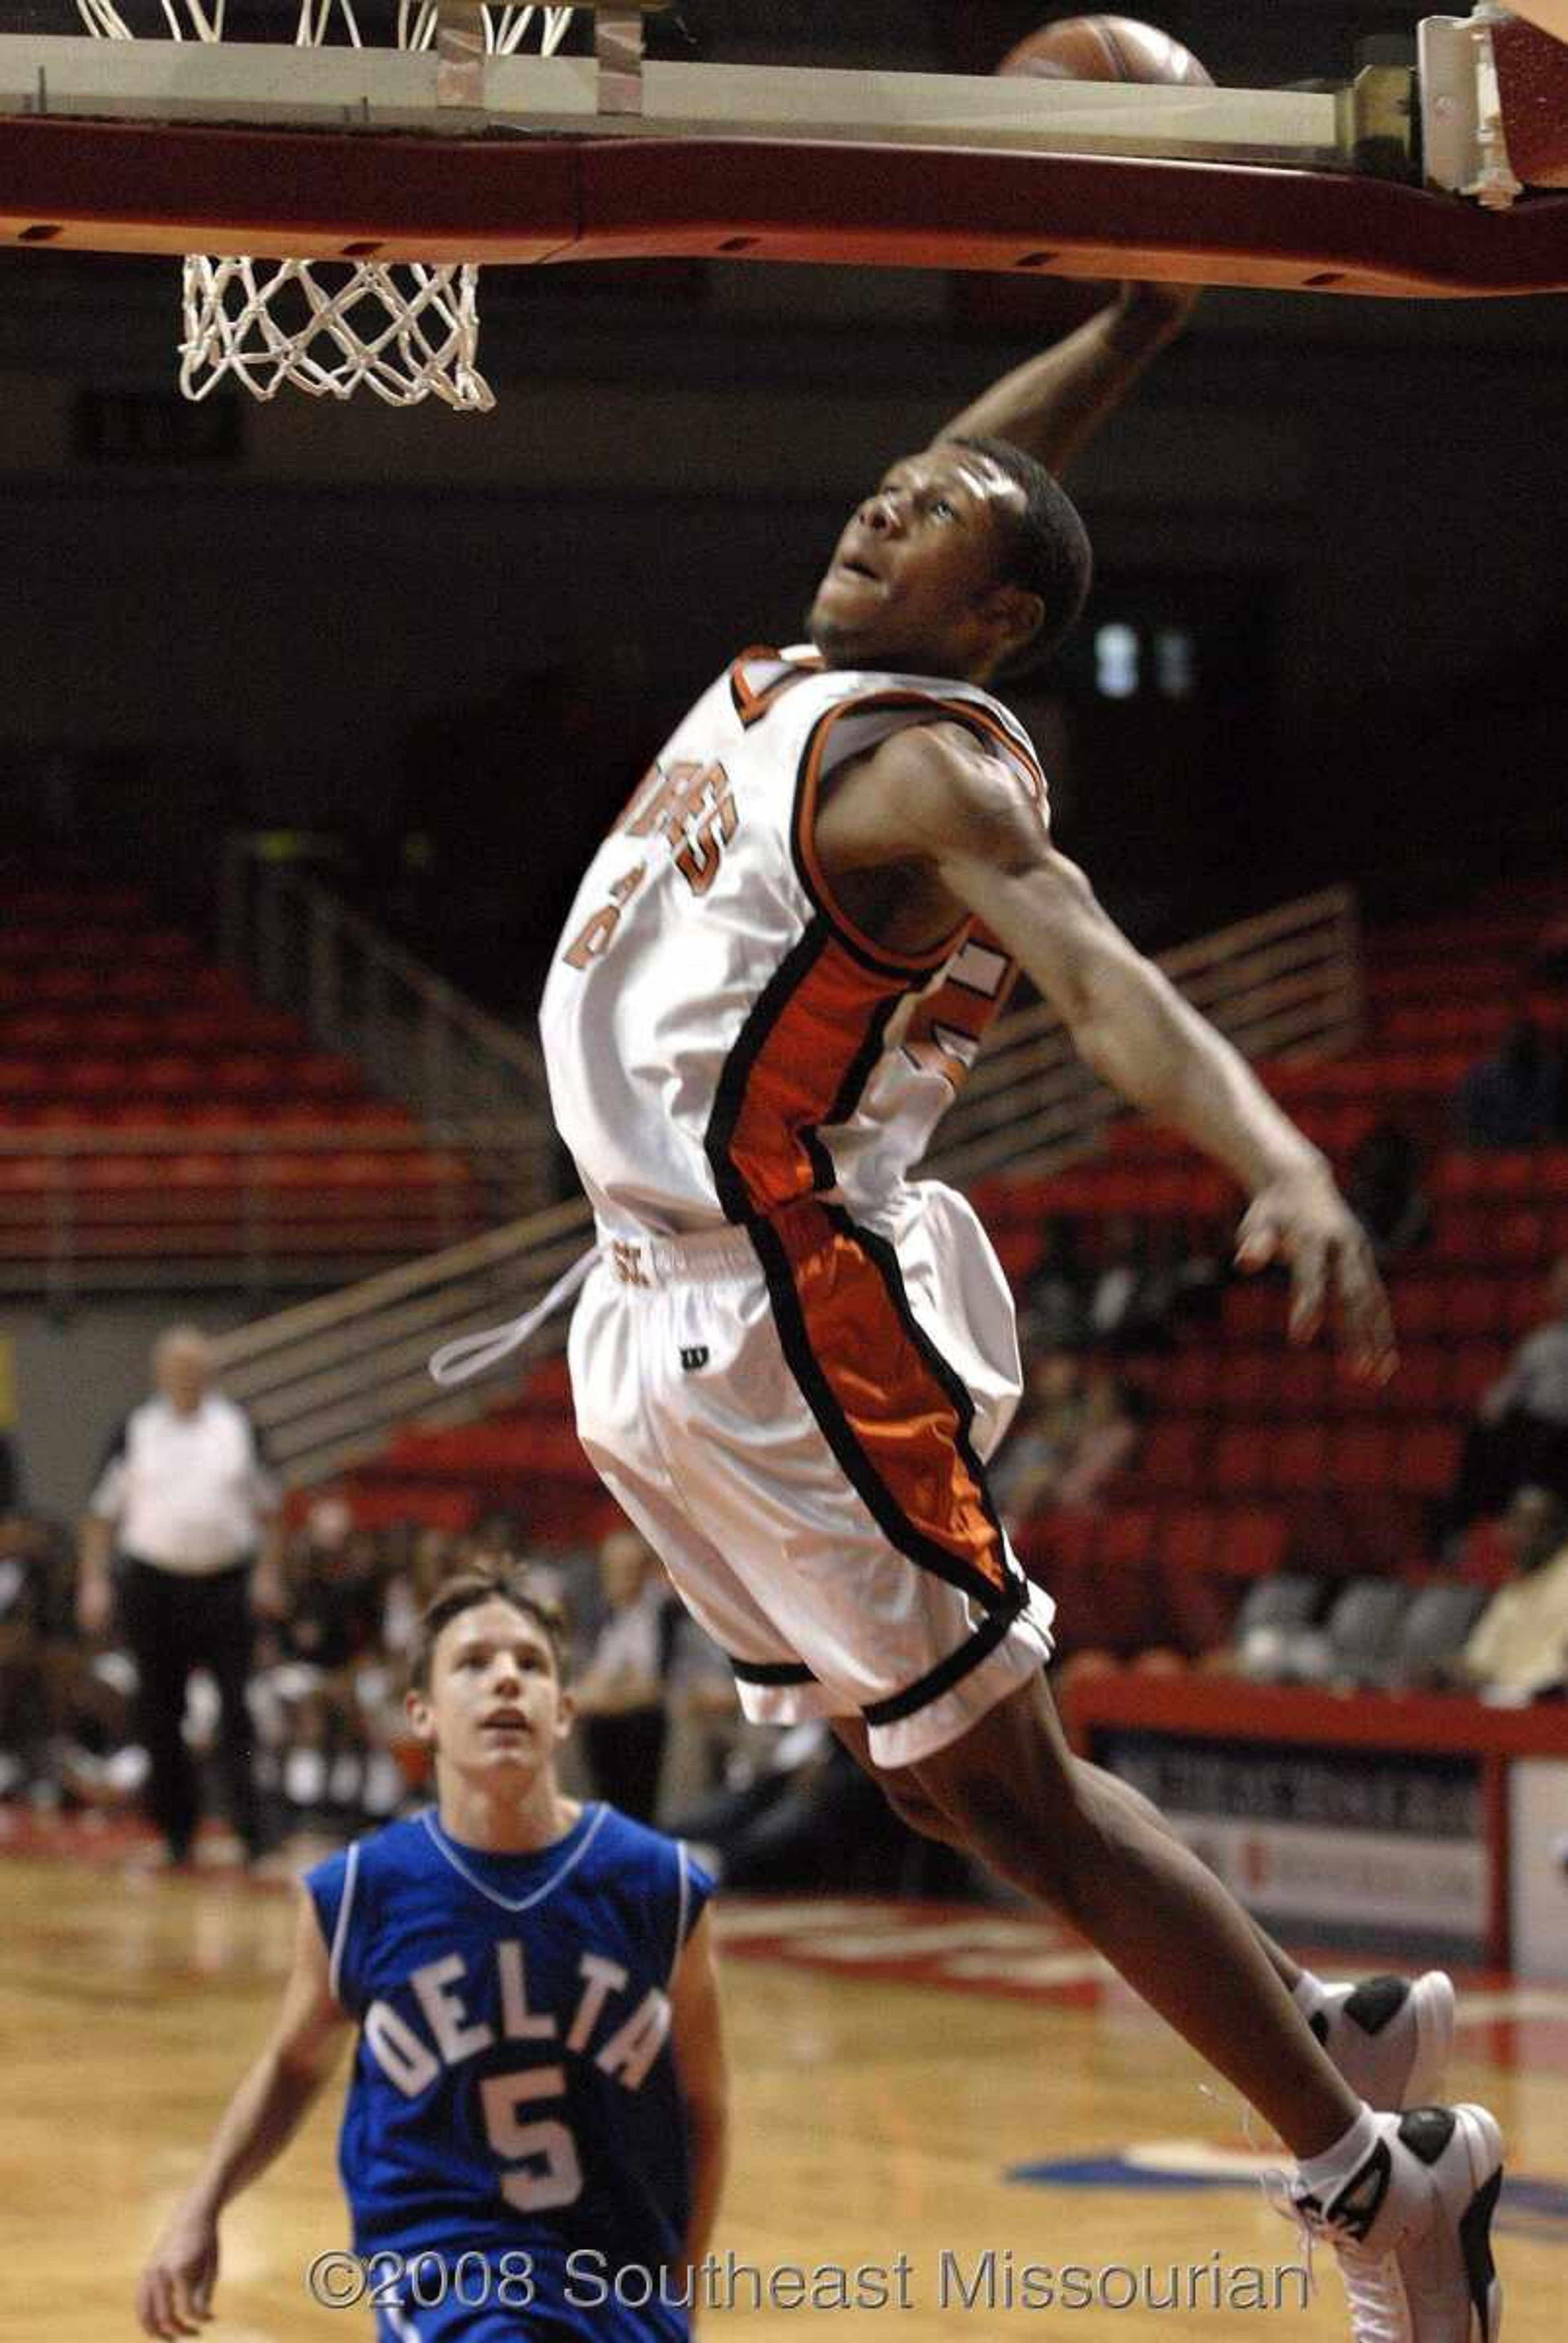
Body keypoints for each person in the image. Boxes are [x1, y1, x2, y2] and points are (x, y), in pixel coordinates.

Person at [532, 275, 1505, 2342]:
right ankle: (1325, 2020)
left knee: (1009, 1782)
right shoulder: (826, 665)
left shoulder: (933, 782)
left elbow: (1110, 991)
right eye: (887, 490)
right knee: (937, 1775)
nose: (886, 512)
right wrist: (1139, 317)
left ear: (995, 624)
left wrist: (1281, 1157)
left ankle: (1377, 2183)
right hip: (646, 1308)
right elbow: (1001, 472)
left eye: (932, 518)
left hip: (782, 1308)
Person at [136, 1560, 728, 2343]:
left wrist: (679, 2292)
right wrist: (198, 2208)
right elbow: (293, 2065)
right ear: (422, 1713)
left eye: (531, 1664)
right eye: (474, 1664)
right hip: (447, 2280)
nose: (506, 1680)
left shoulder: (658, 1884)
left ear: (565, 1713)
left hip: (615, 2280)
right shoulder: (358, 1892)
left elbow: (705, 2106)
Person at [76, 1325, 284, 1868]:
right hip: (153, 1585)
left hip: (225, 1584)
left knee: (237, 1709)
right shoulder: (135, 1429)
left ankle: (252, 1831)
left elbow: (272, 1509)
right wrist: (94, 1580)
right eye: (178, 1366)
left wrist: (268, 1574)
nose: (188, 1375)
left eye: (197, 1365)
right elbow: (101, 1515)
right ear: (161, 1372)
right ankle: (175, 1830)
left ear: (210, 1370)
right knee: (159, 1711)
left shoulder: (238, 1427)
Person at [1446, 1254, 1568, 1530]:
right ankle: (1469, 1530)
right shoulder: (1540, 1342)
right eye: (1561, 1284)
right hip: (1532, 1430)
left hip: (1558, 1436)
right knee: (1484, 1439)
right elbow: (1514, 1388)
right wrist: (1495, 1406)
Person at [1450, 1484, 1568, 1702]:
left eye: (1533, 1526)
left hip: (1551, 1702)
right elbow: (1478, 1660)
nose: (1521, 1536)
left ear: (1557, 1531)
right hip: (1500, 1697)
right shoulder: (1513, 1586)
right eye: (1516, 1525)